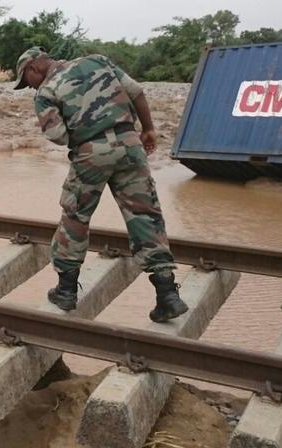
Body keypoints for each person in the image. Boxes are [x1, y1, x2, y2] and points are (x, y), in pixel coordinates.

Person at [13, 47, 188, 322]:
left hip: (91, 153)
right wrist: (148, 129)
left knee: (75, 217)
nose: (28, 87)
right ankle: (167, 294)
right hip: (131, 145)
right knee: (146, 216)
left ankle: (66, 290)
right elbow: (136, 92)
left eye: (27, 81)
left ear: (33, 68)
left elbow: (57, 136)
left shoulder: (45, 92)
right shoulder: (97, 61)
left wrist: (85, 134)